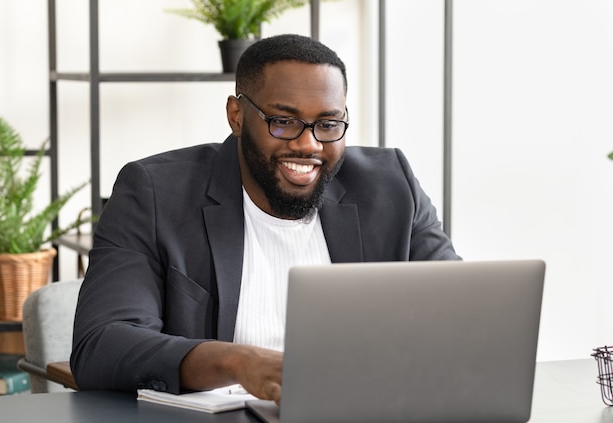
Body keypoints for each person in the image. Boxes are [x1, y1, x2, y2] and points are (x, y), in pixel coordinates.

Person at [70, 33, 459, 404]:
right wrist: (240, 363)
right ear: (237, 116)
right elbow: (102, 342)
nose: (308, 144)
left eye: (328, 124)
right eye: (283, 121)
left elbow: (463, 314)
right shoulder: (155, 192)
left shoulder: (391, 185)